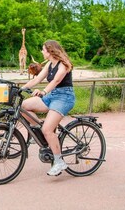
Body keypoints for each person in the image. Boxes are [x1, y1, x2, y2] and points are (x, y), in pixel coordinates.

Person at [21, 40, 75, 176]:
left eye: (43, 49)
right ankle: (40, 130)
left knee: (48, 129)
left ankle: (59, 161)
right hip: (52, 96)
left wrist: (44, 91)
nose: (41, 51)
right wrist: (21, 88)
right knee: (24, 106)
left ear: (50, 51)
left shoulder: (63, 64)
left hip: (64, 97)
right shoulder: (50, 65)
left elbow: (57, 80)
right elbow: (36, 79)